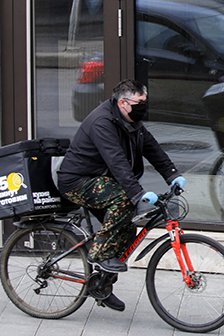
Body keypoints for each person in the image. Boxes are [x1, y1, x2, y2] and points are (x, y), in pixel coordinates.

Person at [57, 79, 185, 312]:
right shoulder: (102, 122)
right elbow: (116, 162)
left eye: (145, 102)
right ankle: (99, 254)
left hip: (102, 179)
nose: (143, 107)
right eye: (139, 102)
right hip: (78, 181)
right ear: (123, 102)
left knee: (127, 230)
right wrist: (138, 193)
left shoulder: (131, 120)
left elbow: (152, 149)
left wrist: (172, 174)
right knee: (124, 199)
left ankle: (101, 287)